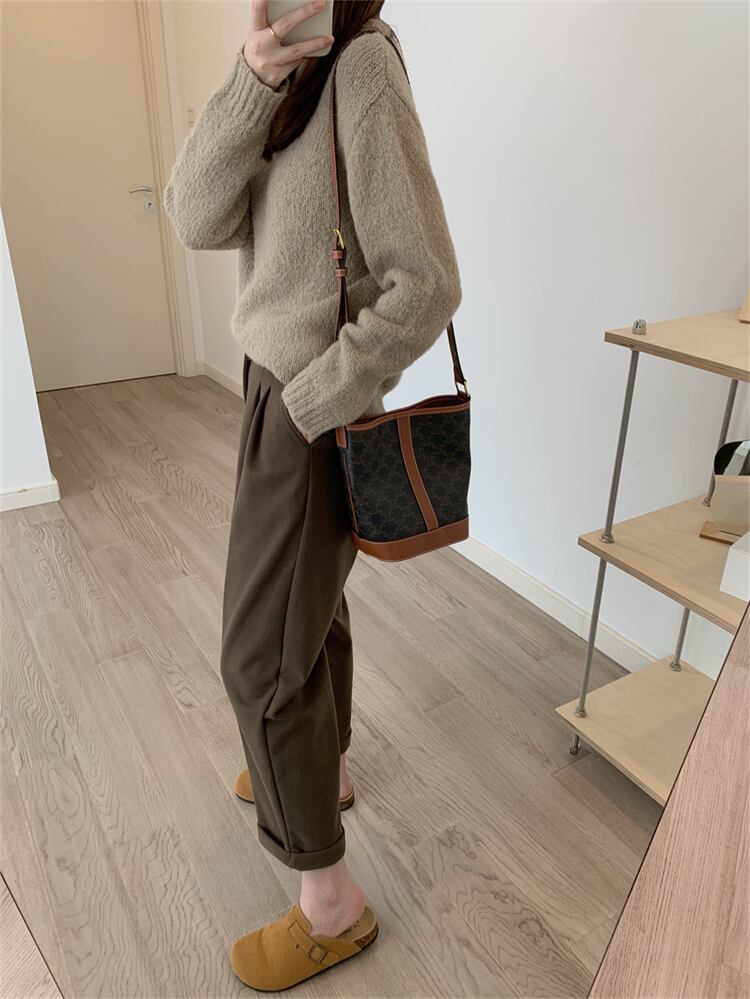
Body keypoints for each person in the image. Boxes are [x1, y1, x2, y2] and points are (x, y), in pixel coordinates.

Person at [163, 0, 461, 989]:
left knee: (258, 660)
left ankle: (331, 905)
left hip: (309, 400)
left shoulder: (363, 70)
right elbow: (194, 217)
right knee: (309, 611)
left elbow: (426, 281)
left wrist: (314, 401)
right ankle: (321, 773)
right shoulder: (285, 75)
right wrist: (252, 80)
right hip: (276, 387)